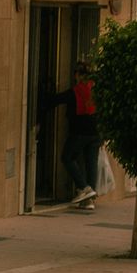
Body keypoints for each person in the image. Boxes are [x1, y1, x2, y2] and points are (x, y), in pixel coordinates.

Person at [42, 61, 101, 209]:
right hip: (96, 132)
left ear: (78, 75)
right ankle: (89, 200)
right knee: (91, 163)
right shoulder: (96, 89)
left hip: (79, 132)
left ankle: (84, 187)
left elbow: (56, 99)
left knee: (67, 157)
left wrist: (42, 94)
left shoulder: (75, 91)